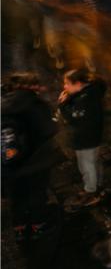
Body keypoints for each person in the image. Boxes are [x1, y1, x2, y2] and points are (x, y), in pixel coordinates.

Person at [2, 72, 63, 237]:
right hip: (35, 163)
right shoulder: (36, 104)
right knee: (36, 195)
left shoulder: (3, 103)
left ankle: (19, 227)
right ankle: (38, 224)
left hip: (11, 165)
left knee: (17, 197)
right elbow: (49, 130)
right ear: (31, 87)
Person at [58, 68, 107, 204]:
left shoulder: (84, 100)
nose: (64, 87)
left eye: (67, 83)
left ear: (78, 84)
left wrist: (62, 104)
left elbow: (73, 118)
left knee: (86, 166)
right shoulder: (92, 92)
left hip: (85, 139)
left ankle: (91, 192)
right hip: (93, 136)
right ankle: (98, 186)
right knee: (95, 162)